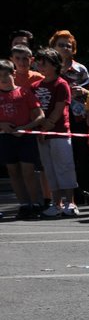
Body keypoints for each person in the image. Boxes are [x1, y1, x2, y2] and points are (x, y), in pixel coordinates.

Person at [31, 47, 78, 219]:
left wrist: (45, 127)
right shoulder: (35, 86)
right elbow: (33, 111)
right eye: (39, 63)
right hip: (42, 135)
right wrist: (38, 128)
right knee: (49, 170)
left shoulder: (61, 84)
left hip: (59, 133)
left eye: (45, 63)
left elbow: (59, 110)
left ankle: (70, 203)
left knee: (64, 168)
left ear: (55, 65)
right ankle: (55, 204)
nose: (40, 66)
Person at [0, 57, 45, 219]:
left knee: (28, 171)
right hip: (5, 138)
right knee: (13, 171)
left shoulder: (24, 92)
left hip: (25, 137)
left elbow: (40, 116)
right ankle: (24, 204)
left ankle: (36, 203)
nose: (3, 80)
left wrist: (24, 128)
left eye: (6, 75)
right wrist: (2, 124)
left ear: (13, 74)